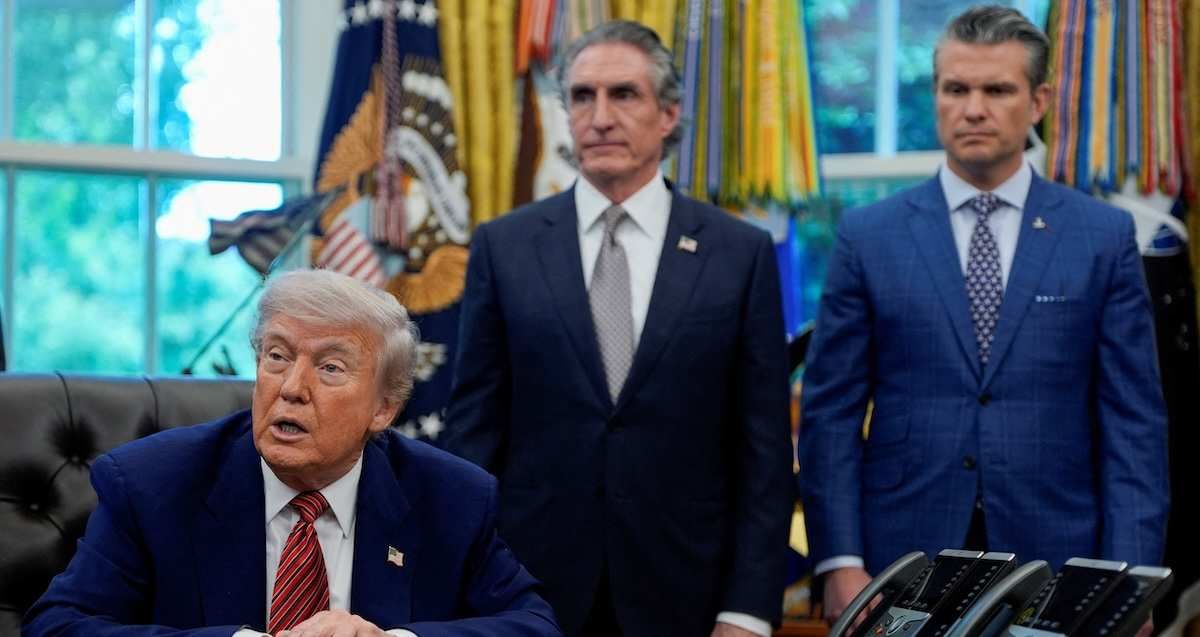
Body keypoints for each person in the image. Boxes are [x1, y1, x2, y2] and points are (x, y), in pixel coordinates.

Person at [797, 4, 1170, 624]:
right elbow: (829, 414)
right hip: (900, 564)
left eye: (997, 89)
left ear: (1040, 100)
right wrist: (839, 559)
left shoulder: (1100, 237)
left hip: (1060, 563)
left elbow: (1134, 426)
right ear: (937, 95)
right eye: (956, 88)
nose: (974, 108)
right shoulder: (869, 235)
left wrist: (1128, 580)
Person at [441, 19, 793, 637]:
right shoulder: (505, 246)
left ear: (668, 114)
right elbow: (474, 436)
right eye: (582, 96)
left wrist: (748, 610)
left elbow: (762, 453)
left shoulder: (740, 253)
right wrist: (463, 590)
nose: (600, 116)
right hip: (528, 597)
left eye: (624, 94)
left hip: (689, 594)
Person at [24, 269, 561, 637]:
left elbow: (535, 625)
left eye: (330, 367)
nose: (292, 387)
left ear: (383, 409)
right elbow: (57, 625)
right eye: (277, 356)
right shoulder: (151, 485)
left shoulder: (452, 497)